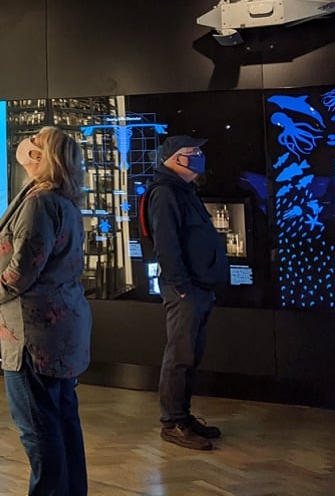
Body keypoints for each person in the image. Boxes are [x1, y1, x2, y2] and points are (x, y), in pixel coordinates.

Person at [0, 126, 91, 496]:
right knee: (63, 421)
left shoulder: (39, 202)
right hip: (59, 331)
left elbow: (22, 270)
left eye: (36, 140)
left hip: (32, 338)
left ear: (41, 158)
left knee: (38, 431)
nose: (28, 142)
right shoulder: (64, 201)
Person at [148, 135, 229, 451]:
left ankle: (182, 416)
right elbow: (166, 244)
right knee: (180, 356)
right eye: (191, 152)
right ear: (173, 159)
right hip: (186, 290)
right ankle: (172, 422)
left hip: (198, 287)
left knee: (190, 354)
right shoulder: (166, 193)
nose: (198, 156)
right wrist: (182, 287)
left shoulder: (183, 190)